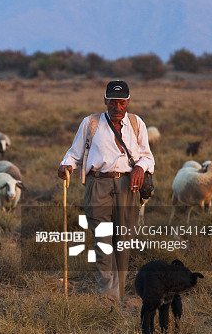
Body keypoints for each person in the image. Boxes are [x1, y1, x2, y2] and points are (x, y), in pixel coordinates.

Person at [57, 80, 155, 306]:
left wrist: (140, 167)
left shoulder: (136, 123)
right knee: (103, 243)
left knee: (122, 244)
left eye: (121, 102)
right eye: (112, 102)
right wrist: (66, 165)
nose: (117, 107)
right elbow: (74, 153)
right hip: (98, 185)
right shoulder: (90, 123)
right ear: (105, 101)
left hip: (128, 186)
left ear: (128, 102)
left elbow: (147, 156)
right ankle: (108, 300)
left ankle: (117, 297)